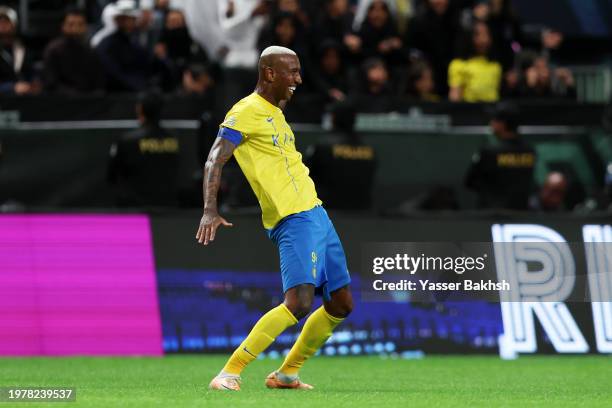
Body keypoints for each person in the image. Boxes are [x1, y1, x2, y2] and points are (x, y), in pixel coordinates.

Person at [198, 46, 353, 391]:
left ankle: (286, 374)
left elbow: (283, 100)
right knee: (298, 302)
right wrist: (210, 208)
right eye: (292, 72)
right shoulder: (245, 111)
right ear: (269, 73)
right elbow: (214, 160)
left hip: (315, 212)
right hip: (292, 217)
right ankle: (229, 372)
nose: (298, 79)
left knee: (341, 303)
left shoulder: (274, 110)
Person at [108, 92, 181, 207]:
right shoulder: (174, 140)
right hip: (168, 207)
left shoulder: (126, 141)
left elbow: (112, 175)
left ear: (139, 109)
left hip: (136, 209)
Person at [305, 102, 377, 210]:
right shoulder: (370, 149)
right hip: (362, 211)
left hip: (329, 210)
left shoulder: (323, 147)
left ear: (334, 118)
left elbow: (306, 177)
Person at [465, 102, 535, 210]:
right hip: (521, 213)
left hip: (492, 215)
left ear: (503, 124)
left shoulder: (489, 152)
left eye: (494, 120)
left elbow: (470, 181)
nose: (491, 123)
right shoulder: (530, 151)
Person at [43, 8, 106, 95]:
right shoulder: (53, 50)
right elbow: (51, 83)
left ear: (86, 27)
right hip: (61, 101)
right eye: (71, 24)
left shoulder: (91, 51)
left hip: (89, 102)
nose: (75, 29)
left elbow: (98, 83)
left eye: (80, 24)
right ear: (63, 26)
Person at [448, 20, 502, 102]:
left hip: (491, 112)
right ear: (469, 37)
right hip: (469, 112)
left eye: (486, 34)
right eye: (478, 35)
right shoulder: (458, 65)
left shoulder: (495, 66)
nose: (484, 40)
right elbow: (455, 97)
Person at [0, 6, 38, 95]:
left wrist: (35, 83)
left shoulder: (22, 49)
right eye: (0, 21)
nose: (2, 24)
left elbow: (31, 72)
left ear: (14, 25)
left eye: (6, 21)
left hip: (23, 98)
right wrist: (11, 87)